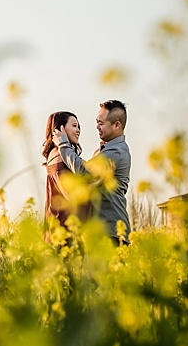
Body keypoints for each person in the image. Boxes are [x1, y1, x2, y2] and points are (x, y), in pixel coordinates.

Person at [54, 99, 132, 245]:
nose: (97, 127)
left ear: (117, 125)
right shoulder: (106, 150)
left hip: (112, 232)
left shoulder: (116, 151)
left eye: (101, 123)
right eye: (97, 122)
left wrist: (63, 145)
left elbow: (84, 172)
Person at [42, 111, 91, 234]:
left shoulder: (53, 155)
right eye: (74, 126)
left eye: (79, 126)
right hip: (65, 230)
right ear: (61, 129)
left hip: (55, 227)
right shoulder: (60, 156)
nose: (78, 130)